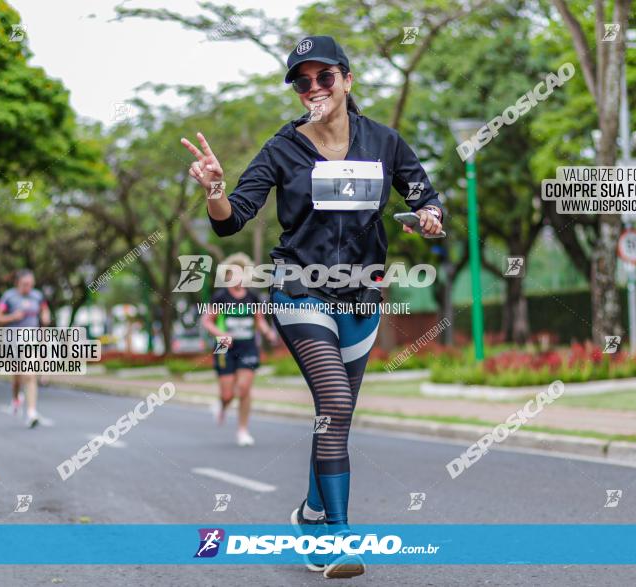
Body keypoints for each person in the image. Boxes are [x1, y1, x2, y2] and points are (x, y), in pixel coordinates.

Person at [182, 35, 445, 578]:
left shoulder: (385, 142)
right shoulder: (283, 149)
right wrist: (213, 189)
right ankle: (337, 539)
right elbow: (232, 219)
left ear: (347, 80)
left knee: (336, 415)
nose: (314, 88)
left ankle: (310, 513)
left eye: (324, 77)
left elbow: (424, 195)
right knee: (333, 398)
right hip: (298, 288)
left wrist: (430, 216)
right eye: (302, 81)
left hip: (362, 294)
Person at [201, 253, 277, 447]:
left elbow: (259, 321)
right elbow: (206, 321)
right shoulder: (220, 297)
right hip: (224, 346)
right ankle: (222, 404)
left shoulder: (253, 297)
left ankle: (243, 430)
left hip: (248, 346)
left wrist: (268, 333)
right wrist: (220, 333)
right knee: (228, 394)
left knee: (243, 389)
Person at [0, 269, 50, 428]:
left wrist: (45, 316)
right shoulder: (8, 297)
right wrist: (13, 317)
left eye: (31, 284)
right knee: (17, 378)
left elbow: (45, 309)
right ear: (18, 283)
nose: (29, 287)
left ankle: (32, 412)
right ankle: (15, 398)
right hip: (12, 342)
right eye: (25, 284)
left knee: (30, 374)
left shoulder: (37, 296)